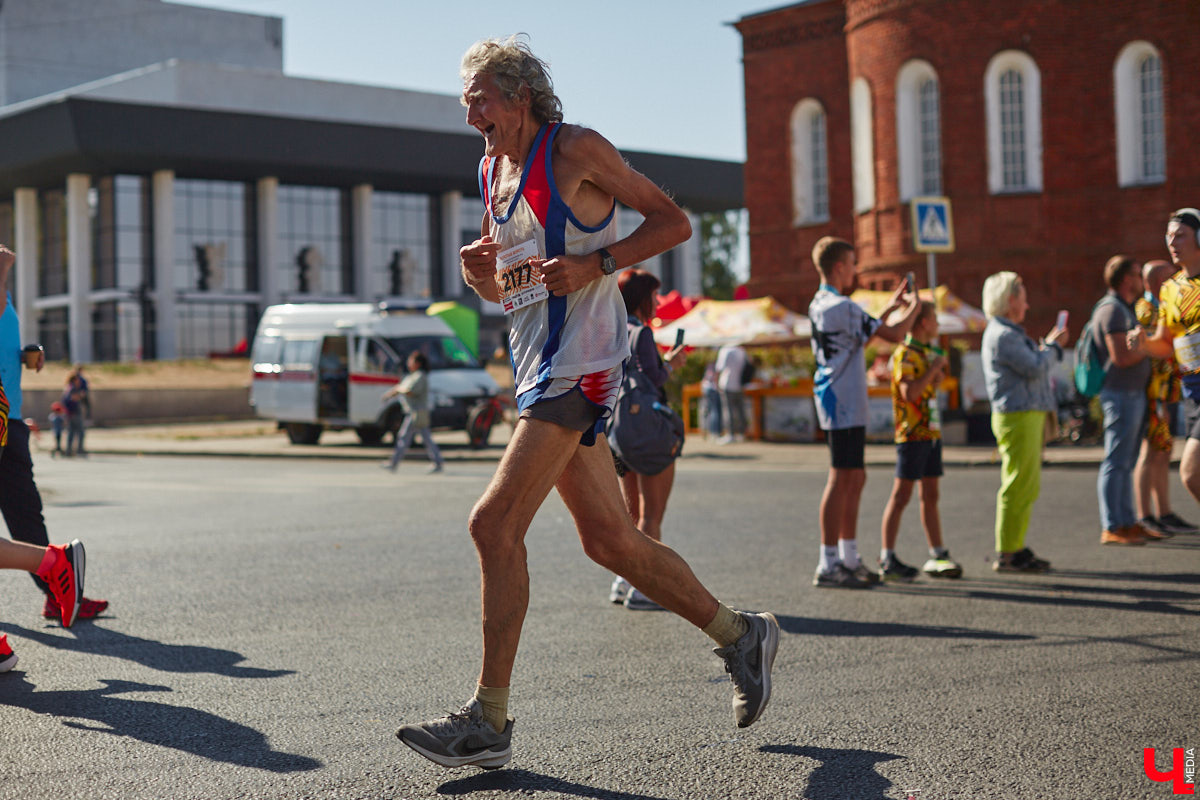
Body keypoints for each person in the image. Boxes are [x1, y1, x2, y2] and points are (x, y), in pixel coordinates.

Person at [395, 36, 779, 771]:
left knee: (492, 524)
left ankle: (488, 721)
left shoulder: (575, 150)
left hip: (584, 365)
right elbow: (510, 289)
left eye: (479, 98)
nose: (469, 113)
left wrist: (597, 263)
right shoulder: (491, 170)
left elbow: (672, 223)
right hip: (537, 367)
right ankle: (742, 635)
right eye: (466, 101)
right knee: (610, 542)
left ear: (520, 96)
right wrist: (478, 276)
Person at [0, 244, 107, 620]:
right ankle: (56, 577)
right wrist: (2, 269)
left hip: (8, 418)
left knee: (26, 514)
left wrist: (24, 355)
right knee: (26, 513)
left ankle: (57, 590)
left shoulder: (5, 294)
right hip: (4, 418)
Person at [808, 236, 920, 589]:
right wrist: (916, 306)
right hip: (843, 400)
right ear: (840, 266)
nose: (856, 270)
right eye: (853, 263)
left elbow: (861, 336)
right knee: (841, 478)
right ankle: (829, 563)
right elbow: (895, 334)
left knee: (854, 478)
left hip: (838, 398)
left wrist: (889, 307)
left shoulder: (824, 303)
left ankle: (848, 558)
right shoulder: (843, 306)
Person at [607, 269, 686, 611]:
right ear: (641, 299)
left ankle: (623, 580)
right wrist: (672, 365)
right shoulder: (642, 332)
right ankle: (645, 589)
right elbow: (652, 378)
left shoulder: (610, 328)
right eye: (654, 296)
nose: (657, 302)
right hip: (646, 431)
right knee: (652, 513)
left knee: (631, 514)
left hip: (616, 433)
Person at [980, 271, 1068, 571]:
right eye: (1024, 298)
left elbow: (1032, 365)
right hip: (1019, 414)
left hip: (1022, 413)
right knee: (1019, 484)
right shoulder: (1004, 335)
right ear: (1010, 300)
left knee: (1025, 484)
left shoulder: (1006, 332)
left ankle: (1014, 547)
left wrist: (1048, 348)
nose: (1027, 305)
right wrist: (1054, 347)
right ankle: (1008, 552)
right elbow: (1034, 368)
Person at [879, 301, 963, 580]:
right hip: (912, 434)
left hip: (930, 432)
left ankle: (938, 553)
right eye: (935, 318)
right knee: (901, 495)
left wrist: (936, 375)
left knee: (930, 495)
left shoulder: (925, 352)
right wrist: (933, 369)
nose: (938, 324)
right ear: (924, 323)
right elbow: (910, 393)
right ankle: (887, 557)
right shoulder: (905, 353)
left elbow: (927, 389)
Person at [1133, 208, 1200, 514]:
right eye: (1169, 236)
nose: (1172, 242)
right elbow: (1164, 343)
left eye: (1181, 235)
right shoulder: (1170, 289)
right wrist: (1143, 343)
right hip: (1191, 393)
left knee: (1190, 472)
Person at [1087, 256, 1157, 545]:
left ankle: (1128, 522)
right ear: (1127, 279)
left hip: (1131, 393)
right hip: (1120, 394)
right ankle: (1113, 526)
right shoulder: (1112, 310)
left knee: (1126, 461)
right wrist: (1149, 346)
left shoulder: (1123, 308)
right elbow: (1121, 357)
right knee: (1116, 461)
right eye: (1138, 275)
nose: (1142, 281)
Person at [381, 351, 444, 473]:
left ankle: (394, 463)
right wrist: (391, 394)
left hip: (417, 412)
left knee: (406, 437)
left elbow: (411, 391)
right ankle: (437, 462)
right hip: (413, 412)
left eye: (411, 361)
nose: (408, 363)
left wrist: (399, 390)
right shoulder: (412, 376)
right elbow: (401, 387)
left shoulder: (420, 376)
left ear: (418, 363)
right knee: (422, 438)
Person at [714, 342, 747, 442]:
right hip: (739, 384)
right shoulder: (741, 351)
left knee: (728, 411)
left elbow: (719, 368)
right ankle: (741, 433)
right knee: (740, 410)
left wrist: (716, 382)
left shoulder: (725, 350)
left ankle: (730, 434)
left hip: (727, 384)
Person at [61, 374, 86, 457]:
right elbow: (73, 398)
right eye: (78, 380)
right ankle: (79, 450)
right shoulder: (73, 388)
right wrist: (80, 395)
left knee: (71, 432)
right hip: (75, 413)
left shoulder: (67, 388)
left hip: (69, 413)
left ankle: (69, 451)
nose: (79, 382)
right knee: (80, 432)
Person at [700, 360, 723, 441]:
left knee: (708, 411)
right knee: (714, 411)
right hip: (713, 388)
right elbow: (716, 378)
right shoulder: (717, 365)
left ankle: (709, 431)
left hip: (706, 388)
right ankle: (715, 432)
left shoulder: (709, 364)